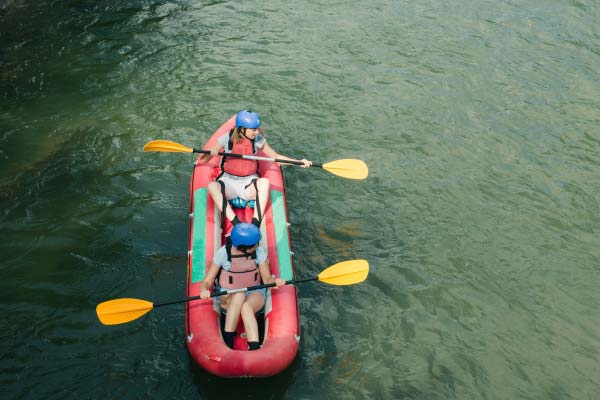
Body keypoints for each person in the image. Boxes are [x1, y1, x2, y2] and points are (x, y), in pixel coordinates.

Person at [200, 110, 312, 228]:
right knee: (212, 186)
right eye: (254, 129)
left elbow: (276, 157)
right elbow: (204, 160)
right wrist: (211, 154)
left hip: (249, 182)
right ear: (242, 129)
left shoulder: (257, 140)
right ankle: (235, 221)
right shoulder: (226, 138)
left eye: (257, 129)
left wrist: (299, 162)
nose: (257, 132)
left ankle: (256, 222)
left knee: (264, 182)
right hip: (228, 182)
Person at [199, 223, 285, 350]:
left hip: (254, 292)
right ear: (244, 248)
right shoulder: (223, 253)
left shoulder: (259, 252)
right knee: (239, 294)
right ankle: (228, 340)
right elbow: (207, 281)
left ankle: (254, 347)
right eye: (255, 243)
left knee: (246, 305)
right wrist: (204, 290)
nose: (258, 245)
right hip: (228, 295)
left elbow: (267, 279)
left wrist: (275, 282)